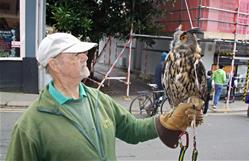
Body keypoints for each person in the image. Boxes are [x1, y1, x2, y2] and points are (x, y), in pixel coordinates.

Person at [5, 33, 204, 161]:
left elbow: (133, 129)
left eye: (83, 52)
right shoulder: (29, 126)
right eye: (76, 54)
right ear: (54, 65)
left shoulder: (99, 100)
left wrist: (167, 122)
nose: (85, 56)